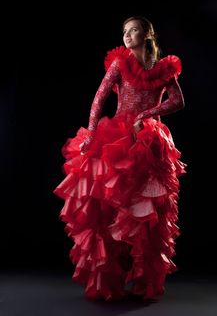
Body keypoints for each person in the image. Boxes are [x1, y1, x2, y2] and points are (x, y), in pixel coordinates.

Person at [53, 16, 186, 301]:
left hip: (149, 140)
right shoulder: (119, 63)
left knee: (147, 212)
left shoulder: (164, 69)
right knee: (109, 207)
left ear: (147, 33)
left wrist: (146, 115)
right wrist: (90, 132)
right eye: (124, 31)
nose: (127, 35)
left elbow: (178, 101)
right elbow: (99, 98)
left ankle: (143, 280)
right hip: (116, 138)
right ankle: (108, 279)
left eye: (133, 30)